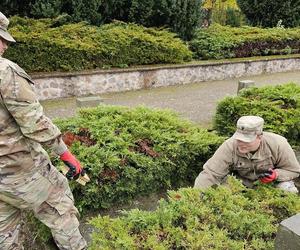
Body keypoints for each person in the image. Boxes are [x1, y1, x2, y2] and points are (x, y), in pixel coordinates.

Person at [0, 12, 87, 249]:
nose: (6, 46)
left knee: (5, 235)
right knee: (62, 211)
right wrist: (65, 154)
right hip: (19, 171)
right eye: (2, 39)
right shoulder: (5, 72)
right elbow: (34, 122)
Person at [194, 115, 300, 193]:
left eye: (247, 140)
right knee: (221, 194)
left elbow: (294, 170)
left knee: (288, 190)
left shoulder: (278, 144)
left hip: (271, 183)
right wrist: (195, 197)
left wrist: (276, 175)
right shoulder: (229, 146)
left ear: (259, 137)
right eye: (239, 139)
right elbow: (210, 173)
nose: (241, 143)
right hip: (241, 182)